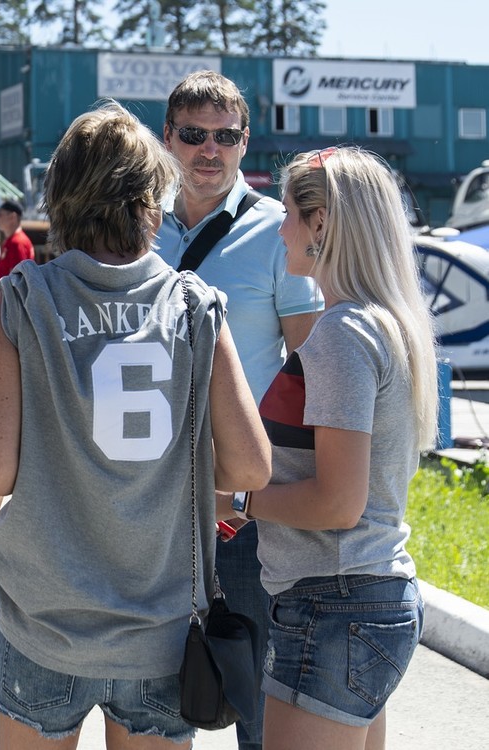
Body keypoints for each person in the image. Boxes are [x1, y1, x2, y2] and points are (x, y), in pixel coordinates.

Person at [0, 102, 271, 749]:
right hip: (160, 629)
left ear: (61, 193)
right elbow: (250, 468)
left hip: (45, 621)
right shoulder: (193, 304)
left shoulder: (24, 296)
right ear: (152, 198)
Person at [241, 146, 436, 750]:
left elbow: (337, 504)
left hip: (333, 600)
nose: (280, 227)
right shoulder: (384, 321)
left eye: (290, 214)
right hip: (361, 596)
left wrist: (238, 499)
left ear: (321, 223)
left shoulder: (342, 334)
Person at [154, 69, 322, 750]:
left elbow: (309, 371)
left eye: (225, 137)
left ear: (244, 144)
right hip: (155, 498)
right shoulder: (138, 227)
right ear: (166, 138)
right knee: (162, 694)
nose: (208, 150)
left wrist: (286, 488)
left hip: (243, 511)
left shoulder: (273, 234)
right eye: (192, 134)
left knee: (255, 694)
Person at [0, 199, 33, 293]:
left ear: (12, 217)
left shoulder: (17, 242)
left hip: (9, 301)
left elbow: (18, 280)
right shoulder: (14, 240)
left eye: (0, 215)